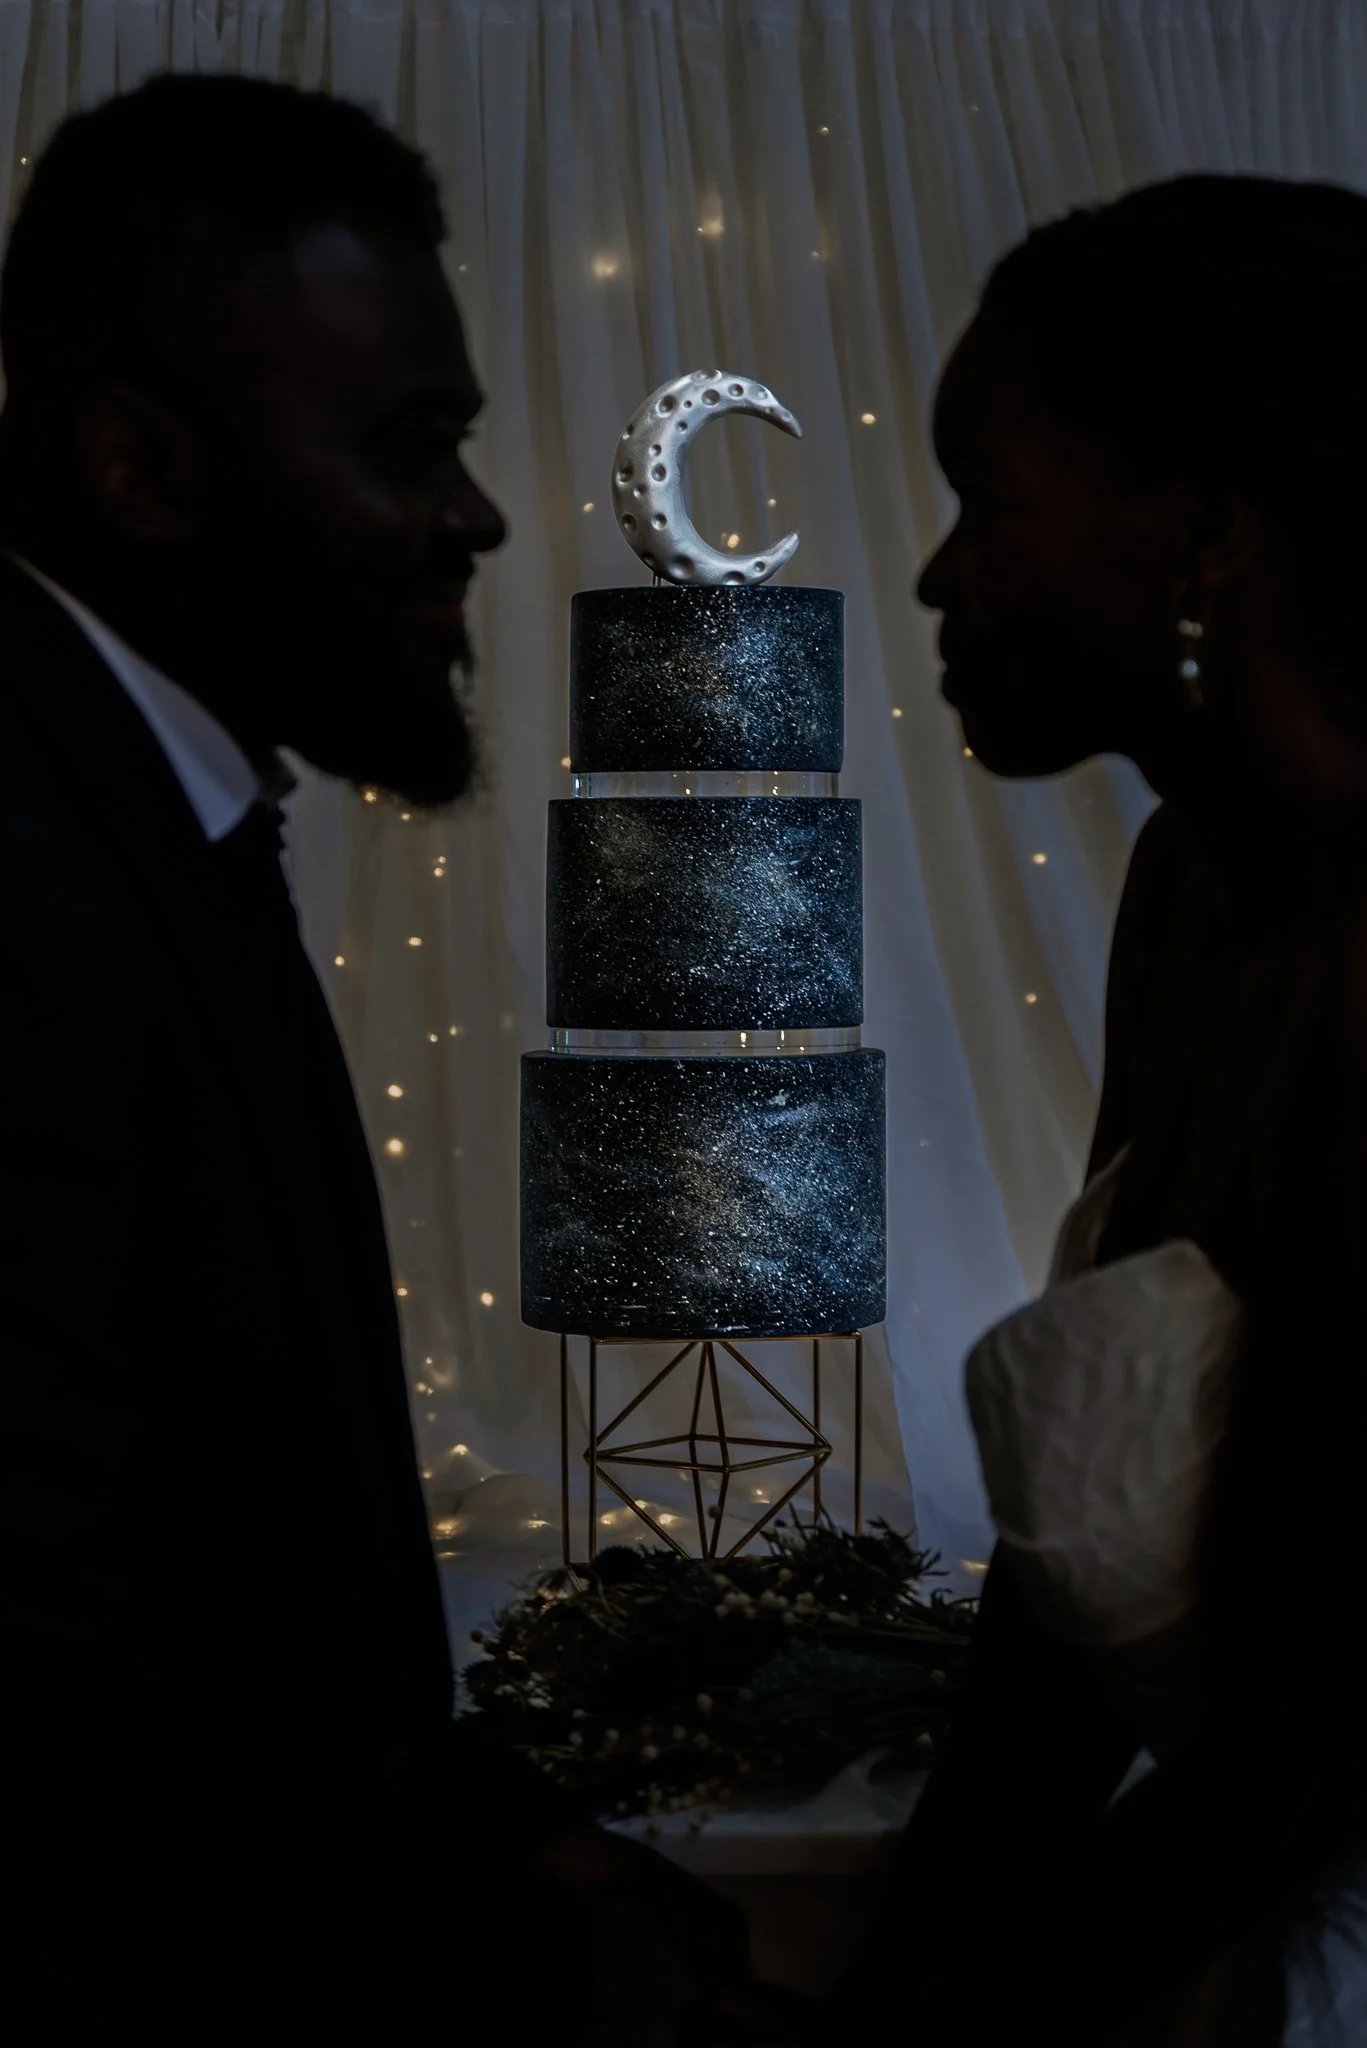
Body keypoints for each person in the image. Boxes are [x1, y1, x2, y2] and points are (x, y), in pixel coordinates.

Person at [0, 73, 750, 2045]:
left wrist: (493, 1821)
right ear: (138, 468)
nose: (478, 515)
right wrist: (526, 1970)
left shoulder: (152, 806)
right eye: (408, 444)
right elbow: (33, 1682)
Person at [741, 174, 1367, 2048]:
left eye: (984, 502)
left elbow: (1306, 1745)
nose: (937, 577)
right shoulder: (1193, 896)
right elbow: (1054, 1654)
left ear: (1203, 540)